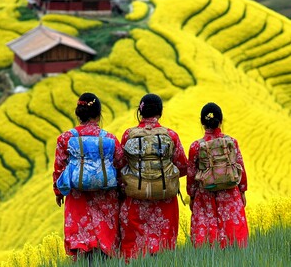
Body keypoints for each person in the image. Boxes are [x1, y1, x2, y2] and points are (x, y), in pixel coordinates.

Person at [52, 92, 124, 262]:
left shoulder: (65, 138)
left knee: (81, 243)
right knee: (105, 243)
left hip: (78, 197)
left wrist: (58, 191)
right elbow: (120, 164)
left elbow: (59, 168)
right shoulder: (109, 138)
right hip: (105, 197)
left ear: (78, 114)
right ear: (99, 115)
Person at [119, 93, 188, 260]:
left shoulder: (129, 134)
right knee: (164, 248)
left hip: (136, 198)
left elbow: (120, 165)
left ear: (140, 112)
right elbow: (183, 167)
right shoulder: (171, 135)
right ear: (160, 112)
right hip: (165, 200)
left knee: (135, 249)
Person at [186, 102, 249, 248]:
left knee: (208, 234)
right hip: (230, 192)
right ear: (221, 120)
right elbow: (240, 167)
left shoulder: (196, 146)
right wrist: (242, 190)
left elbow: (191, 174)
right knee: (232, 232)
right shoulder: (231, 142)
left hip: (205, 194)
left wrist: (192, 195)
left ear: (202, 122)